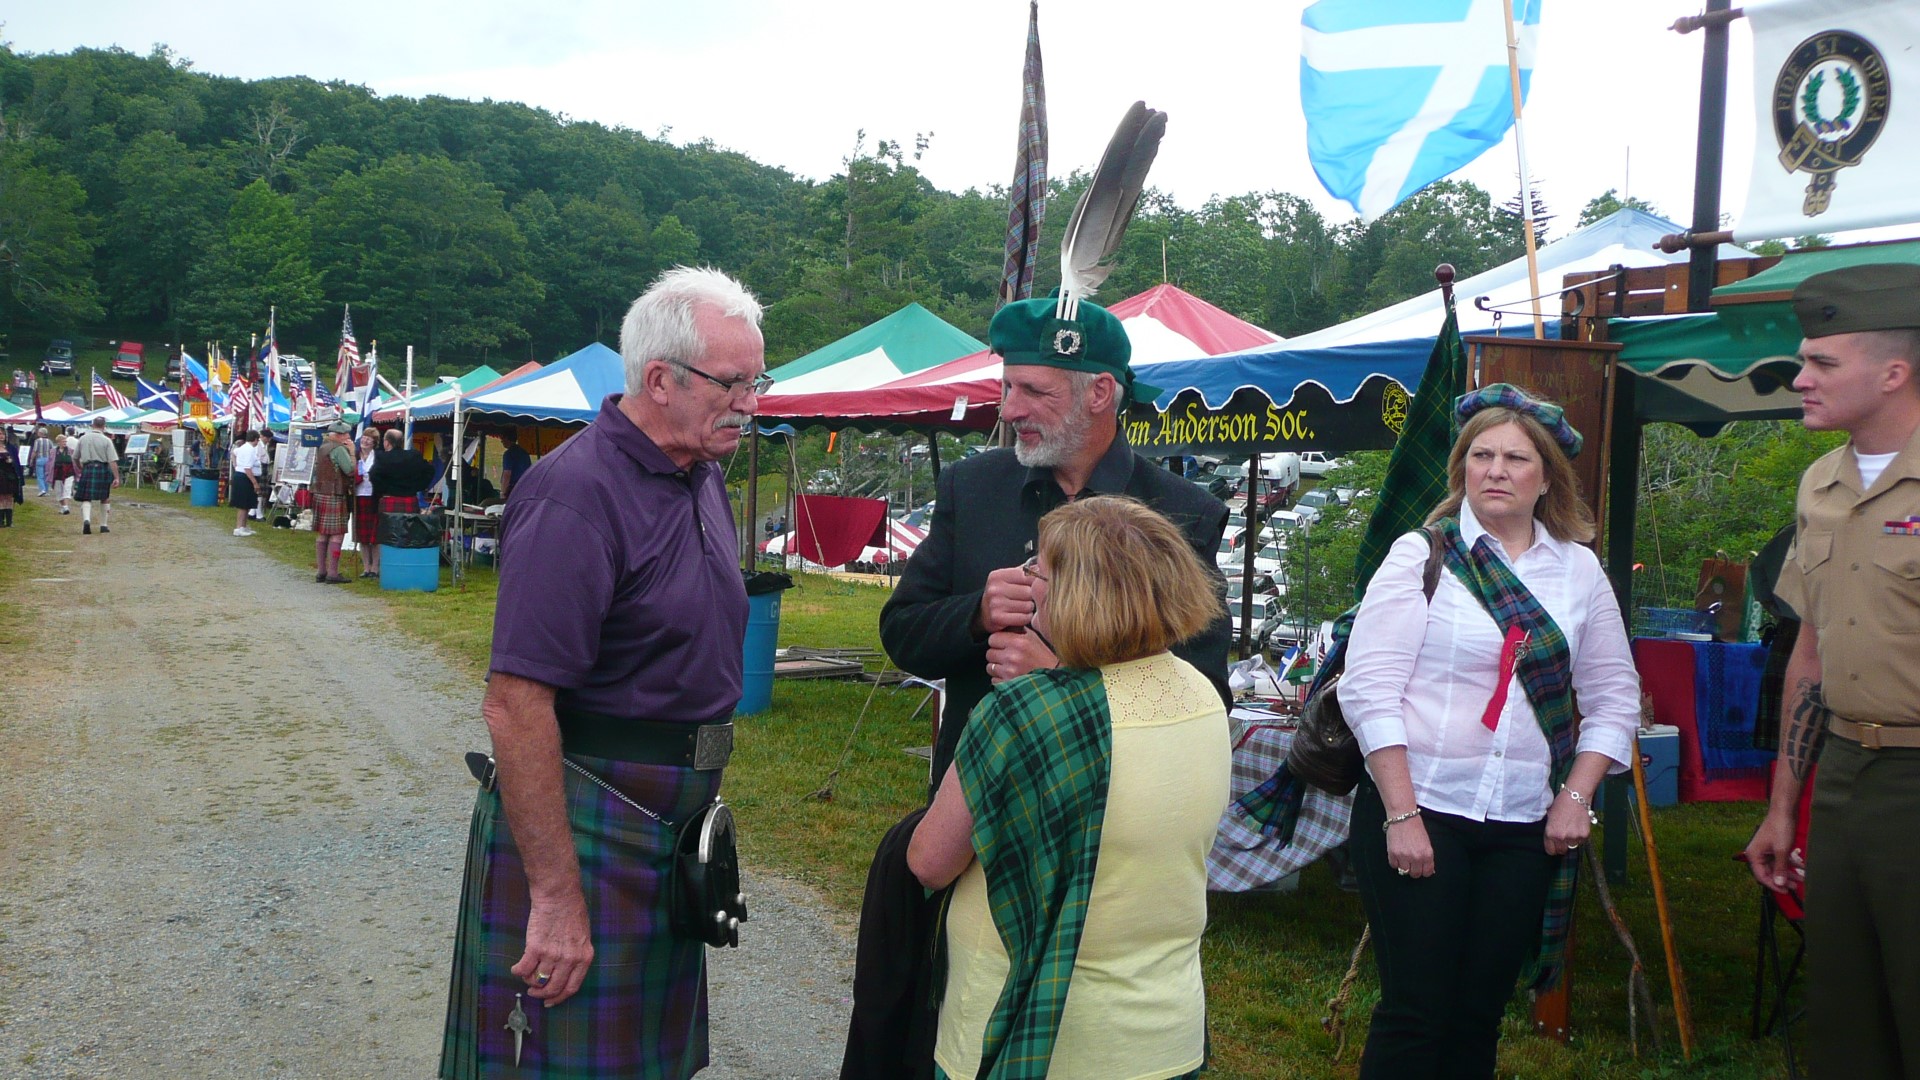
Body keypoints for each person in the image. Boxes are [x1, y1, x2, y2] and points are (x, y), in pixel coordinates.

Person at [439, 266, 768, 1080]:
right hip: (589, 818)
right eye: (733, 383)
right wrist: (553, 895)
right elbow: (515, 706)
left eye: (758, 382)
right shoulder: (574, 495)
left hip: (669, 821)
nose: (751, 403)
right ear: (660, 379)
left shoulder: (702, 478)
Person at [1339, 385, 1639, 1078]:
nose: (1496, 470)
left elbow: (1615, 695)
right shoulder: (1423, 558)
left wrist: (1576, 797)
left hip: (1522, 824)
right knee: (1416, 1010)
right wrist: (1401, 814)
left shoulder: (1579, 570)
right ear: (1462, 470)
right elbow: (1370, 691)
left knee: (1478, 1012)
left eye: (1514, 458)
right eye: (1481, 456)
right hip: (1421, 808)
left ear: (1546, 479)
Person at [905, 495, 1231, 1080]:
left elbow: (930, 861)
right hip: (1164, 1034)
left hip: (1036, 1036)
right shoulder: (1199, 694)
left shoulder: (1023, 713)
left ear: (1079, 594)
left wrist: (1021, 702)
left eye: (1041, 570)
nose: (1031, 581)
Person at [879, 296, 1231, 796]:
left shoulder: (1181, 512)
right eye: (1006, 386)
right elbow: (902, 636)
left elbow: (1205, 689)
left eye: (1034, 390)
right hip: (976, 804)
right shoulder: (973, 487)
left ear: (1101, 393)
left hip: (1110, 805)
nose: (1008, 409)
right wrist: (976, 614)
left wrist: (1065, 678)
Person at [1744, 264, 1920, 1077]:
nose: (1800, 378)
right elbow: (1808, 658)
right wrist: (1787, 807)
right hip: (1845, 775)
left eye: (1823, 363)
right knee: (1846, 1023)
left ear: (1894, 372)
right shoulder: (1822, 483)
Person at [310, 421, 357, 583]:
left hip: (321, 492)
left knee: (322, 533)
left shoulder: (323, 447)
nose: (348, 437)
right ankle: (332, 573)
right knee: (337, 534)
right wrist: (352, 452)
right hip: (335, 493)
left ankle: (321, 571)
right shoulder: (338, 449)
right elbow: (350, 470)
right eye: (345, 434)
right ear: (338, 436)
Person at [72, 415, 121, 535]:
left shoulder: (83, 439)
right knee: (105, 497)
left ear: (92, 425)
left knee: (86, 497)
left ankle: (87, 520)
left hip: (87, 468)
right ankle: (103, 525)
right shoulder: (107, 440)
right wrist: (116, 477)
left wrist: (80, 467)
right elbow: (112, 461)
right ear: (104, 427)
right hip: (102, 469)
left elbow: (75, 457)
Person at [352, 430, 380, 577]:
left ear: (374, 442)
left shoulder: (377, 457)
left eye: (369, 439)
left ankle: (375, 568)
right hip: (359, 496)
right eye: (364, 438)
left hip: (373, 497)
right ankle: (366, 567)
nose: (366, 441)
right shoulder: (354, 456)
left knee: (374, 537)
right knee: (362, 536)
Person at [231, 430, 261, 537]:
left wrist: (236, 465)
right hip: (245, 477)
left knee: (247, 504)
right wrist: (255, 483)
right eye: (258, 440)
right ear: (255, 439)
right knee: (243, 504)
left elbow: (233, 453)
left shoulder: (243, 447)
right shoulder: (249, 450)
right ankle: (239, 527)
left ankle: (243, 526)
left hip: (242, 475)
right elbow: (248, 468)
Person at [499, 428, 532, 498]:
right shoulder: (524, 453)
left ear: (507, 438)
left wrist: (503, 492)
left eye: (502, 438)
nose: (501, 441)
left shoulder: (508, 454)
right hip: (525, 488)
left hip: (512, 490)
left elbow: (507, 474)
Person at [0, 428, 22, 527]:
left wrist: (11, 461)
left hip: (10, 475)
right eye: (0, 434)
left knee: (9, 497)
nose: (1, 436)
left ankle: (9, 521)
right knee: (1, 497)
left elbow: (17, 462)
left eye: (3, 434)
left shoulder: (11, 448)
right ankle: (1, 521)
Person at [52, 432, 76, 514]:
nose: (65, 443)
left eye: (65, 441)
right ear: (58, 442)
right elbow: (50, 463)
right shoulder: (53, 451)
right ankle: (63, 507)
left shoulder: (71, 451)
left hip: (69, 473)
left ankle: (66, 507)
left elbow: (75, 461)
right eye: (63, 441)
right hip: (57, 473)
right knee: (59, 491)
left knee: (67, 489)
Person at [29, 425, 53, 497]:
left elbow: (35, 451)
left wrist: (31, 459)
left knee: (40, 476)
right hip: (48, 459)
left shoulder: (37, 441)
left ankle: (42, 490)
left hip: (40, 459)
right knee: (46, 475)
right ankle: (46, 490)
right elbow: (52, 451)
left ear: (41, 433)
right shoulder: (49, 441)